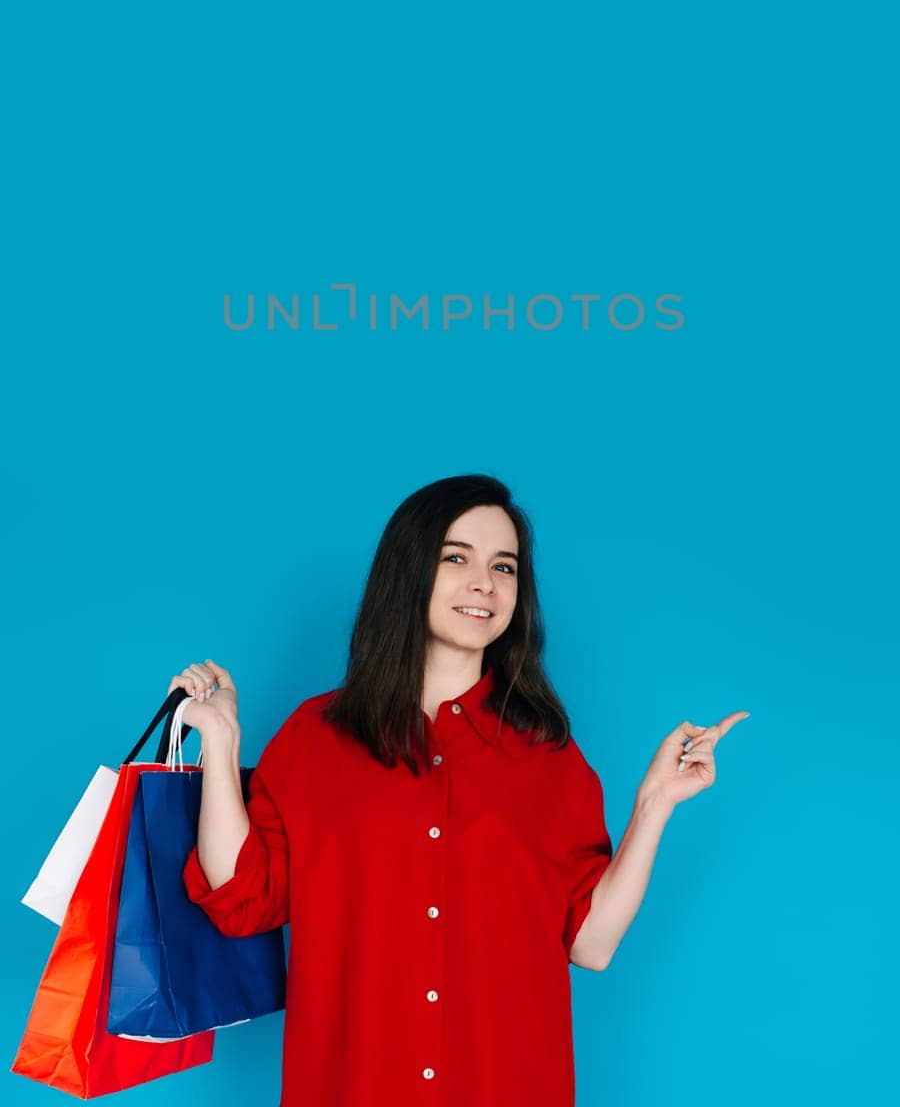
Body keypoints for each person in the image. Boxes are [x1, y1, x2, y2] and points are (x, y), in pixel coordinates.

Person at [174, 473, 749, 1106]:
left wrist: (654, 806)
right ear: (409, 571)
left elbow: (591, 943)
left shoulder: (549, 756)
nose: (485, 584)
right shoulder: (316, 738)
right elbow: (240, 899)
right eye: (456, 558)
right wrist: (222, 746)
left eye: (505, 567)